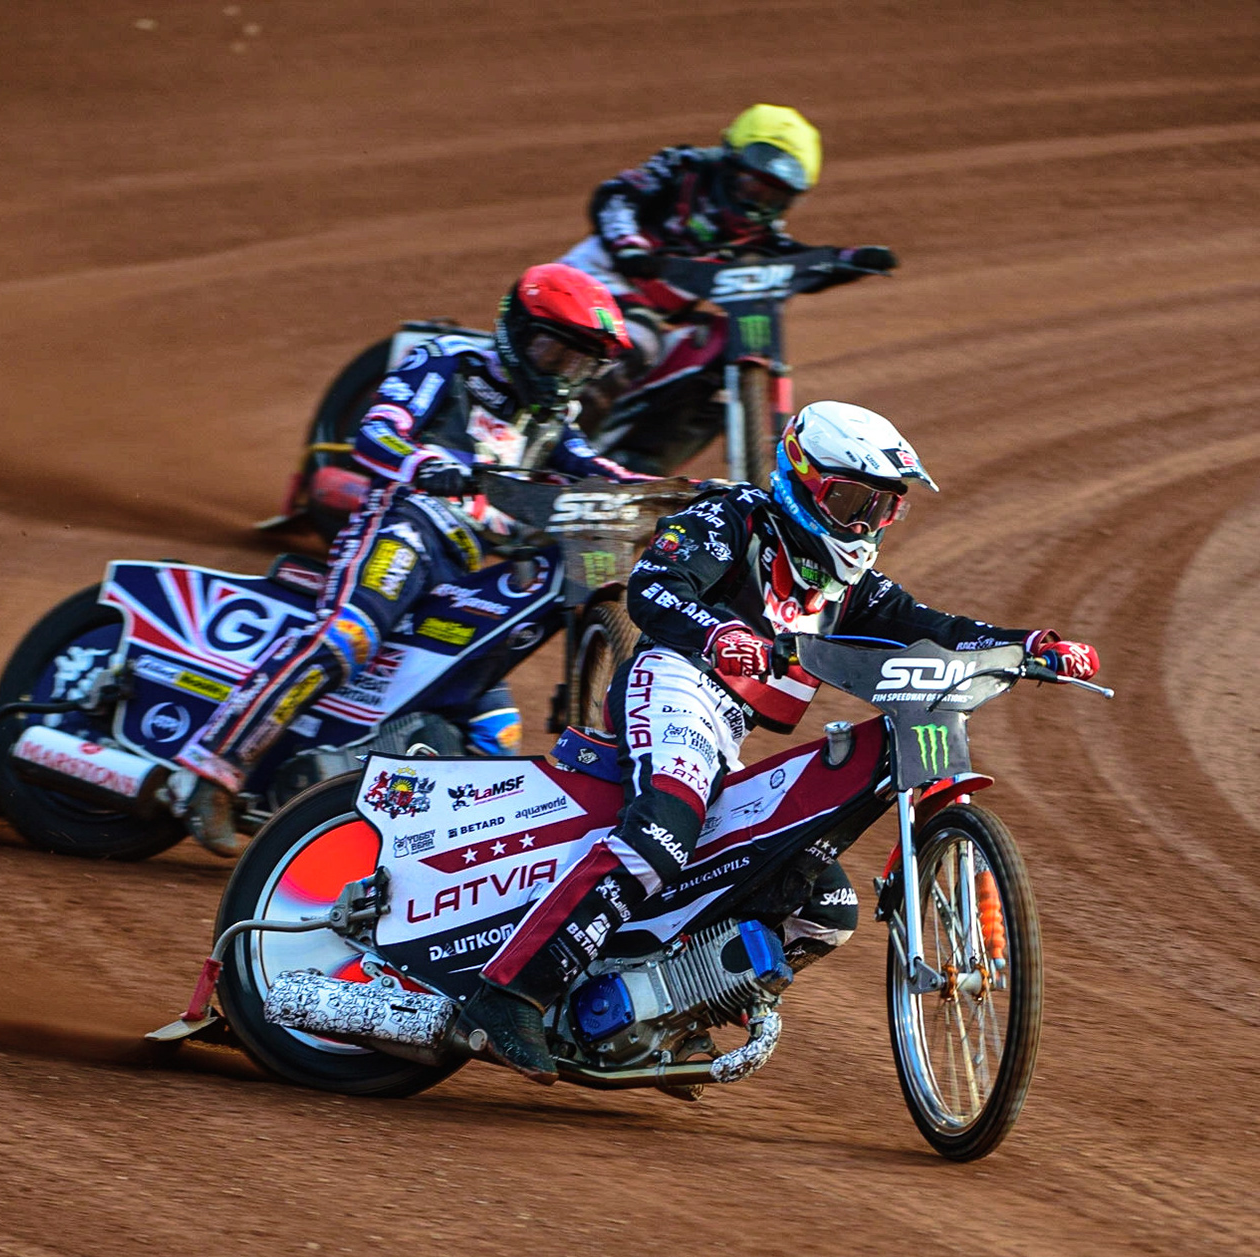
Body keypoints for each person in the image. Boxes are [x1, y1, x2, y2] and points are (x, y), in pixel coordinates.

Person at [456, 400, 1101, 1083]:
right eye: (851, 501)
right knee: (665, 833)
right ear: (802, 479)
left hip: (724, 725)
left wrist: (1030, 646)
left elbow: (929, 626)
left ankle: (664, 1012)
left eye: (881, 509)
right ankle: (510, 994)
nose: (863, 525)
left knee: (825, 907)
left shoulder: (846, 584)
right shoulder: (731, 519)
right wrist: (717, 632)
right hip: (674, 679)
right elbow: (651, 586)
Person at [174, 264, 653, 855]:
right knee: (346, 636)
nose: (562, 373)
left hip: (471, 567)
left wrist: (681, 491)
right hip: (405, 528)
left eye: (578, 363)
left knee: (493, 731)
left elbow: (600, 474)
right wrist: (424, 464)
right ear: (515, 330)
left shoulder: (556, 419)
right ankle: (214, 769)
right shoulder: (450, 358)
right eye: (554, 351)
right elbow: (376, 432)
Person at [558, 105, 899, 467]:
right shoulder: (683, 168)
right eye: (752, 186)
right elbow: (617, 196)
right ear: (729, 162)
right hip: (590, 283)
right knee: (637, 338)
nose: (757, 204)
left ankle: (638, 463)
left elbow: (791, 260)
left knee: (721, 342)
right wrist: (629, 245)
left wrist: (846, 259)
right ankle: (552, 445)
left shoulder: (759, 235)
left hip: (655, 319)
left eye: (774, 198)